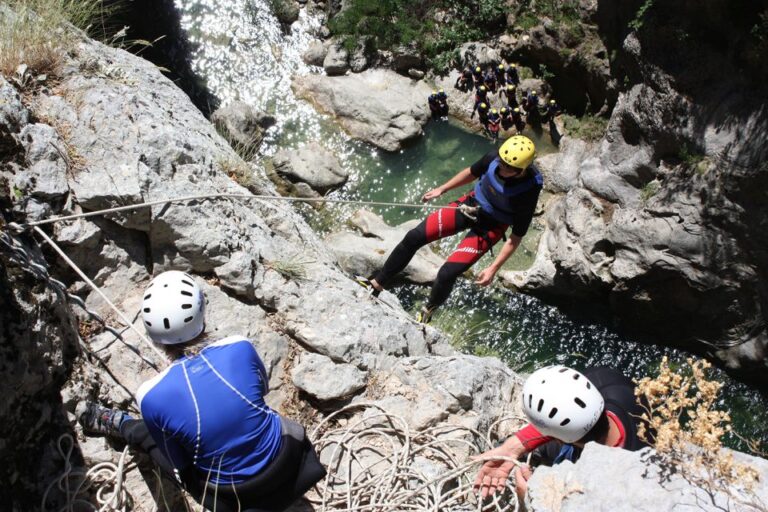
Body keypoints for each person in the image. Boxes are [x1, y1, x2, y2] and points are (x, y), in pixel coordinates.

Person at [77, 271, 326, 512]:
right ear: (202, 316)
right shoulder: (239, 347)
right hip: (290, 461)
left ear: (152, 335)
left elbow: (178, 462)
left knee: (150, 434)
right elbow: (262, 388)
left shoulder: (150, 396)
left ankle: (123, 424)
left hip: (234, 496)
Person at [357, 136, 543, 323]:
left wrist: (493, 268)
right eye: (502, 162)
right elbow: (471, 172)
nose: (502, 168)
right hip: (469, 205)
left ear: (522, 170)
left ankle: (428, 311)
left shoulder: (528, 192)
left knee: (447, 272)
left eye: (509, 167)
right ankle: (377, 284)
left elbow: (516, 236)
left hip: (491, 226)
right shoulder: (494, 158)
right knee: (414, 237)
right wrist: (442, 189)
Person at [473, 366, 648, 502]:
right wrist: (512, 448)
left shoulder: (602, 483)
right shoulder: (605, 380)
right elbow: (573, 411)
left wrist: (531, 500)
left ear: (557, 439)